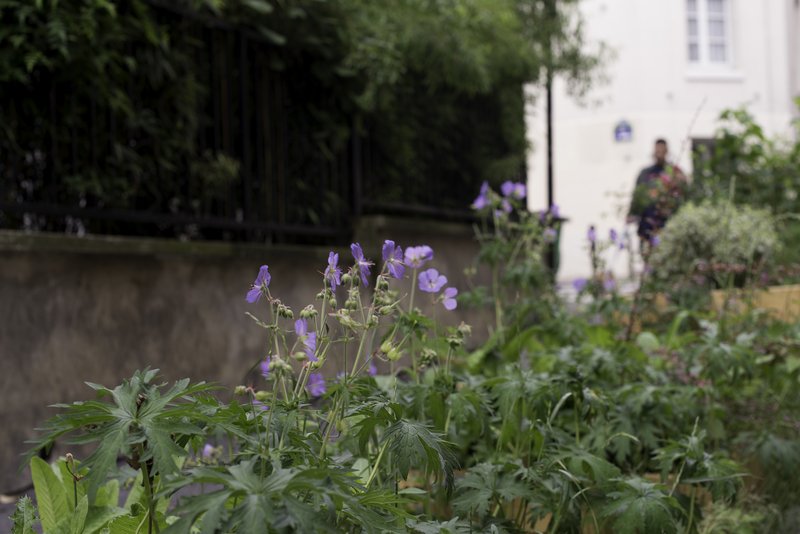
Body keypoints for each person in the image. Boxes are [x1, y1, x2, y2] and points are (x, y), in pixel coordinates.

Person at [627, 139, 687, 246]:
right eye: (657, 150)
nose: (659, 153)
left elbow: (683, 194)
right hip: (647, 225)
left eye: (661, 150)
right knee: (646, 255)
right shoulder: (645, 173)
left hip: (667, 224)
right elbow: (637, 197)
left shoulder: (674, 172)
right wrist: (631, 214)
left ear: (666, 151)